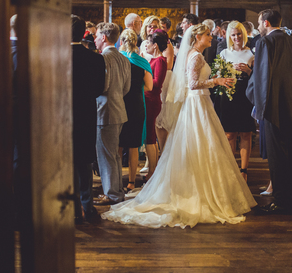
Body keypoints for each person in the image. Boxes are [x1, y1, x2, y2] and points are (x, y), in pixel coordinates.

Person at [102, 24, 256, 228]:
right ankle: (199, 192)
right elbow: (192, 84)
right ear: (198, 37)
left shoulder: (194, 54)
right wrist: (216, 81)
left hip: (199, 103)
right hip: (196, 104)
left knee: (202, 147)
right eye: (208, 35)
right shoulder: (196, 56)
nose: (211, 38)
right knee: (201, 146)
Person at [247, 9, 292, 215]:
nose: (257, 27)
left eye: (258, 23)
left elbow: (262, 77)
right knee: (291, 153)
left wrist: (256, 102)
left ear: (266, 23)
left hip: (272, 106)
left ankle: (282, 202)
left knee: (276, 156)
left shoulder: (264, 43)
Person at [71, 15, 106, 223]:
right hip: (85, 111)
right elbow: (98, 89)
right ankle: (87, 206)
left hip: (61, 113)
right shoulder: (95, 58)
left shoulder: (55, 54)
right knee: (83, 159)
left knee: (65, 159)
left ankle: (71, 209)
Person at [93, 22, 131, 206]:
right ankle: (117, 191)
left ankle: (111, 194)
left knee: (106, 155)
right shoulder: (124, 58)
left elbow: (103, 86)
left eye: (96, 35)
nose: (94, 39)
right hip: (119, 108)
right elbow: (126, 88)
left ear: (104, 37)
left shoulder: (103, 59)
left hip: (104, 111)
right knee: (114, 155)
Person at [213, 21, 255, 182]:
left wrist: (248, 70)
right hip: (228, 94)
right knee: (229, 133)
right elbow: (216, 76)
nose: (236, 37)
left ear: (243, 35)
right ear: (229, 36)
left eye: (239, 34)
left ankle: (244, 170)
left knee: (245, 133)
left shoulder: (251, 54)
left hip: (244, 95)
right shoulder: (224, 53)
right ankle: (231, 167)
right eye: (233, 35)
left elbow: (256, 78)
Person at [118, 29, 153, 193]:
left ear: (121, 42)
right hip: (136, 104)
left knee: (118, 145)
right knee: (133, 145)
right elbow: (149, 86)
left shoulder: (118, 60)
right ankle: (131, 182)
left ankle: (116, 179)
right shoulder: (142, 61)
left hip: (119, 104)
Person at [144, 31, 169, 180]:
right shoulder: (153, 59)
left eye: (148, 43)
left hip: (152, 100)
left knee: (150, 136)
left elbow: (157, 82)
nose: (146, 45)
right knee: (149, 135)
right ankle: (152, 169)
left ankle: (153, 171)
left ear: (155, 45)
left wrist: (142, 81)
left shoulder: (160, 60)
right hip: (147, 98)